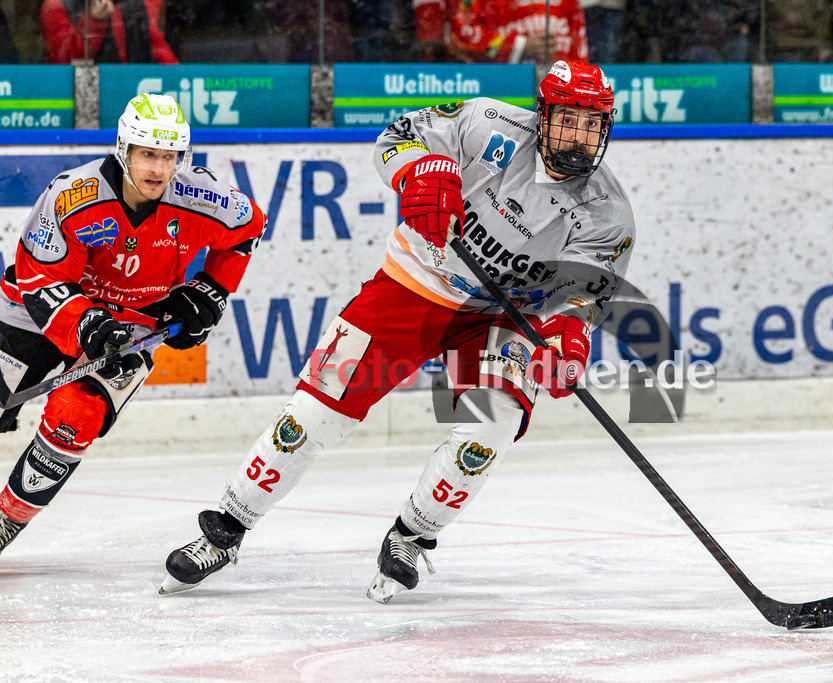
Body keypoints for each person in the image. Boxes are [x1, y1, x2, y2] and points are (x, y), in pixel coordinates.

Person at [160, 60, 636, 603]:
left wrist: (567, 338)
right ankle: (224, 530)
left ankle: (412, 535)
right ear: (544, 113)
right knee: (311, 413)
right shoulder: (486, 124)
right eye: (568, 120)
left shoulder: (607, 215)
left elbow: (581, 294)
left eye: (592, 124)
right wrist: (419, 173)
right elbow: (398, 136)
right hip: (414, 284)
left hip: (503, 319)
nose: (579, 138)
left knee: (490, 431)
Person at [0, 94, 266, 555]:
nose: (158, 169)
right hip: (34, 310)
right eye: (148, 153)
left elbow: (248, 229)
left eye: (169, 157)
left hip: (132, 327)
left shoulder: (203, 198)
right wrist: (86, 324)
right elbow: (37, 275)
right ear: (123, 149)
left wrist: (211, 291)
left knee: (75, 419)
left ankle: (5, 521)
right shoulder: (72, 195)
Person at [448, 0, 588, 66]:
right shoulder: (484, 2)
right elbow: (463, 37)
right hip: (504, 87)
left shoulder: (569, 3)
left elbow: (579, 57)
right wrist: (520, 44)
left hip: (556, 90)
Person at [41, 0, 178, 64]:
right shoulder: (58, 6)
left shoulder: (138, 6)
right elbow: (64, 62)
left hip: (131, 88)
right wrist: (95, 23)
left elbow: (160, 53)